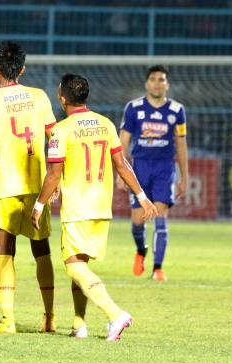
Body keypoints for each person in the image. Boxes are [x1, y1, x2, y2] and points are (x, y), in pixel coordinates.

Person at [32, 73, 157, 341]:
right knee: (81, 264)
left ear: (62, 98)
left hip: (78, 207)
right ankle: (79, 325)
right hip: (102, 206)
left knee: (73, 267)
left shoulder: (60, 130)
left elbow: (54, 173)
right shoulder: (106, 124)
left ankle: (116, 315)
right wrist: (142, 196)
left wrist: (39, 204)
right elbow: (122, 164)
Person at [0, 42, 56, 334]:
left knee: (5, 251)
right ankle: (49, 318)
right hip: (37, 186)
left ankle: (8, 320)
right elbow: (53, 138)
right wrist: (56, 180)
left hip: (5, 186)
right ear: (22, 69)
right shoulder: (40, 96)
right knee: (41, 250)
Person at [118, 65, 188, 282]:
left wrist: (184, 177)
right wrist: (121, 173)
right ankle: (141, 250)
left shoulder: (177, 110)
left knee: (159, 215)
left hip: (164, 167)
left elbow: (182, 144)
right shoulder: (133, 108)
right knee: (138, 220)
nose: (157, 83)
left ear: (167, 84)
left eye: (161, 79)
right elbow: (123, 142)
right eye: (153, 79)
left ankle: (158, 269)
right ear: (147, 83)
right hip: (139, 167)